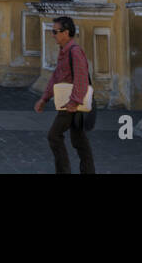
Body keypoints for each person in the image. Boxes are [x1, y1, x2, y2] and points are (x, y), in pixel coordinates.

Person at [34, 16, 96, 174]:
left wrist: (74, 101)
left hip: (71, 104)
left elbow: (81, 78)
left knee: (54, 136)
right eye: (52, 31)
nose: (53, 34)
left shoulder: (74, 51)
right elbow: (56, 77)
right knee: (79, 141)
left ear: (66, 32)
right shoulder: (64, 51)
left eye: (55, 31)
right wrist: (44, 98)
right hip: (70, 103)